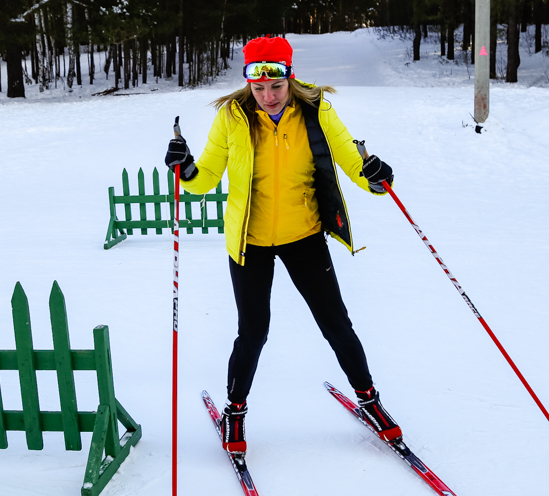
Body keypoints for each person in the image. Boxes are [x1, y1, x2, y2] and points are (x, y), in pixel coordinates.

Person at [165, 35, 400, 453]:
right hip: (249, 242)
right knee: (252, 333)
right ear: (248, 84)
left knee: (337, 325)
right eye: (258, 88)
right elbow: (204, 181)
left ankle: (370, 400)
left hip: (304, 236)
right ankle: (235, 411)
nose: (268, 97)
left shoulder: (316, 111)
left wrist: (378, 176)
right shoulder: (232, 117)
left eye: (276, 86)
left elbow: (353, 163)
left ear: (290, 77)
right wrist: (185, 168)